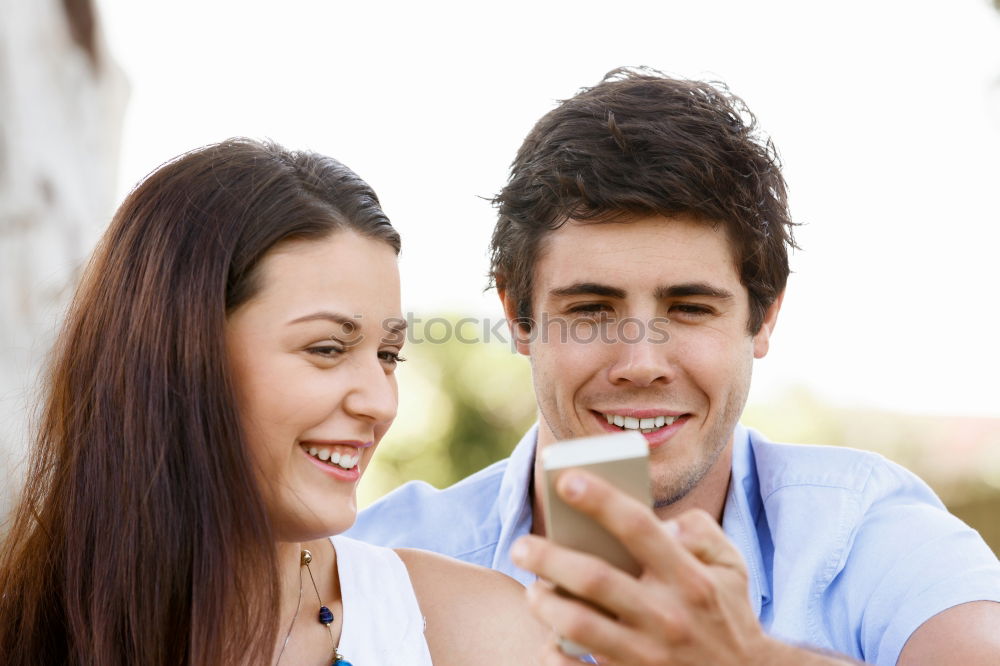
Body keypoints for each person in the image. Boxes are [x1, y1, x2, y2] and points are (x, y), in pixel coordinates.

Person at [350, 68, 1000, 664]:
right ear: (520, 318)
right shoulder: (380, 557)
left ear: (763, 317)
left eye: (689, 308)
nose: (641, 363)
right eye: (591, 309)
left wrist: (745, 659)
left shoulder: (862, 531)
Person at [0, 138, 547, 665]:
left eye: (387, 355)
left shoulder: (481, 632)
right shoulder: (25, 629)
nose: (380, 404)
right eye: (328, 348)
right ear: (180, 355)